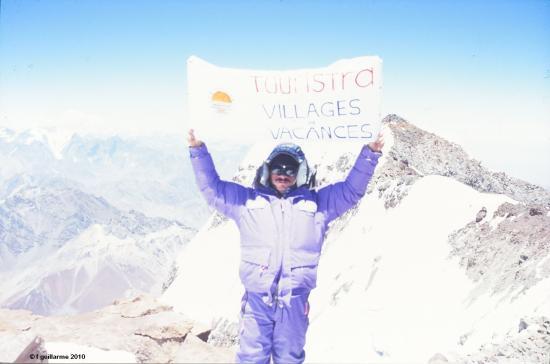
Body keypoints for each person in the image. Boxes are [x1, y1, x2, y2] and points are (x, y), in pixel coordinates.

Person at [187, 129, 384, 364]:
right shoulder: (247, 202)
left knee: (289, 359)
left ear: (301, 173)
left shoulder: (319, 205)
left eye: (290, 168)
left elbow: (351, 191)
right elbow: (212, 189)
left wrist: (370, 154)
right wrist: (198, 149)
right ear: (267, 170)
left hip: (294, 303)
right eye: (278, 167)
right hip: (257, 301)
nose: (283, 173)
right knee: (251, 358)